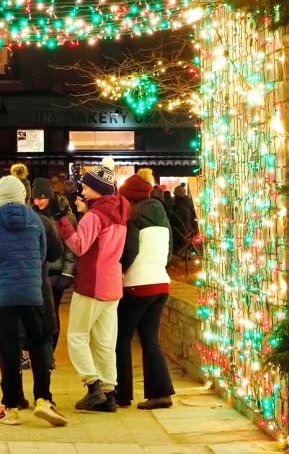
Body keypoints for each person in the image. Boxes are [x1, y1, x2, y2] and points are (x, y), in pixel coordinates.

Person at [0, 175, 68, 427]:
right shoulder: (37, 221)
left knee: (9, 350)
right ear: (23, 195)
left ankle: (12, 407)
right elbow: (47, 255)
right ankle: (43, 399)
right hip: (33, 293)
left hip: (4, 296)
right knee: (38, 344)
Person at [54, 160, 129, 413]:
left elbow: (78, 246)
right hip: (112, 284)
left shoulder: (94, 216)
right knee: (105, 341)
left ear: (98, 190)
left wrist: (63, 221)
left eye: (86, 188)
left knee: (77, 336)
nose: (82, 192)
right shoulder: (119, 212)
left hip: (92, 283)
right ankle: (109, 393)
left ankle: (92, 384)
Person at [116, 173, 176, 409]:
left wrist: (119, 269)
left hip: (138, 284)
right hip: (161, 283)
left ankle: (122, 393)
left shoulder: (132, 215)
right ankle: (161, 393)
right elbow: (169, 251)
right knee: (150, 339)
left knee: (121, 338)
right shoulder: (160, 213)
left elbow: (129, 250)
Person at [31, 178, 77, 365]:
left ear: (50, 197)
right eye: (36, 198)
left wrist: (66, 274)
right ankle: (39, 353)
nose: (39, 202)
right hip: (37, 272)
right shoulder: (31, 214)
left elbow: (71, 248)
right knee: (37, 314)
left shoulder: (64, 216)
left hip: (56, 273)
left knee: (51, 314)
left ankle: (49, 355)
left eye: (43, 198)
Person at [172, 183, 199, 256]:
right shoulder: (187, 204)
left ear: (177, 196)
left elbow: (176, 222)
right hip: (189, 230)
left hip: (183, 232)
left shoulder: (179, 207)